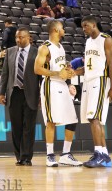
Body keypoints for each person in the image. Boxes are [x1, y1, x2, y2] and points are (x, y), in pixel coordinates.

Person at [34, 20, 83, 167]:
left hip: (62, 85)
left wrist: (69, 76)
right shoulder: (45, 48)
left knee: (72, 120)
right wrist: (58, 73)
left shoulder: (61, 47)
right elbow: (37, 69)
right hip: (50, 84)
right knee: (51, 120)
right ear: (56, 29)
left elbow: (62, 68)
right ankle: (49, 155)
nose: (64, 30)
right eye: (62, 28)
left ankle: (66, 154)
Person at [0, 27, 41, 166]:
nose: (18, 40)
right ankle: (19, 157)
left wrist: (42, 95)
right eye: (17, 37)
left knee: (29, 127)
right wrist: (1, 93)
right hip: (14, 93)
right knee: (16, 128)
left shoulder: (37, 52)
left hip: (31, 94)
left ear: (29, 38)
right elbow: (5, 74)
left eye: (21, 37)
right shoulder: (10, 52)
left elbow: (41, 77)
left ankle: (26, 157)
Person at [80, 15, 112, 168]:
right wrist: (73, 72)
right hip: (88, 80)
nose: (84, 29)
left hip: (100, 80)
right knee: (94, 120)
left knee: (94, 117)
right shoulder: (88, 41)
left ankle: (99, 154)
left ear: (94, 25)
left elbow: (111, 65)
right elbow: (88, 66)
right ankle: (104, 155)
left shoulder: (106, 39)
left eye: (86, 26)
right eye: (83, 26)